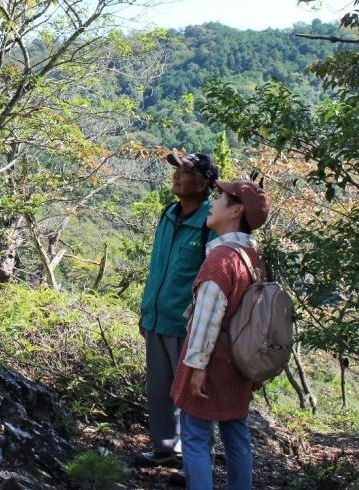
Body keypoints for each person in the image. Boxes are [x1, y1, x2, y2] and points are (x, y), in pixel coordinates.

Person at [171, 178, 269, 490]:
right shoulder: (253, 258)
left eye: (220, 198)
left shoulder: (221, 260)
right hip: (241, 361)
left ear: (236, 210)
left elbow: (207, 318)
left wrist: (196, 366)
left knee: (196, 438)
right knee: (237, 437)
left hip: (212, 362)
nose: (212, 203)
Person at [137, 151, 219, 466]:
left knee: (192, 396)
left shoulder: (210, 223)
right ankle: (164, 449)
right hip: (156, 318)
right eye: (177, 170)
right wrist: (147, 310)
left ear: (203, 184)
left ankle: (196, 460)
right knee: (159, 391)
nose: (176, 175)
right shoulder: (169, 213)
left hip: (187, 325)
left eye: (183, 171)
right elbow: (157, 267)